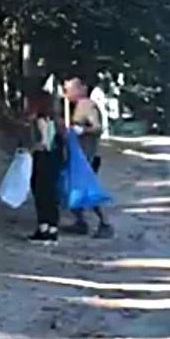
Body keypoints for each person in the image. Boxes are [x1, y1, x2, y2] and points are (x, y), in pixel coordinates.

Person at [62, 76, 114, 238]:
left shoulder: (86, 105)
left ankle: (105, 223)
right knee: (74, 188)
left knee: (89, 191)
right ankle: (80, 222)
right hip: (78, 156)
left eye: (68, 90)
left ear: (79, 89)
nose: (65, 94)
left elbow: (97, 127)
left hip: (87, 156)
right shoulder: (75, 106)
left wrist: (82, 130)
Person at [24, 90, 61, 242]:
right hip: (53, 158)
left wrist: (30, 150)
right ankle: (52, 228)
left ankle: (43, 227)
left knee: (41, 192)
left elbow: (43, 143)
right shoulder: (53, 120)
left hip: (42, 158)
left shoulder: (40, 121)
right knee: (50, 193)